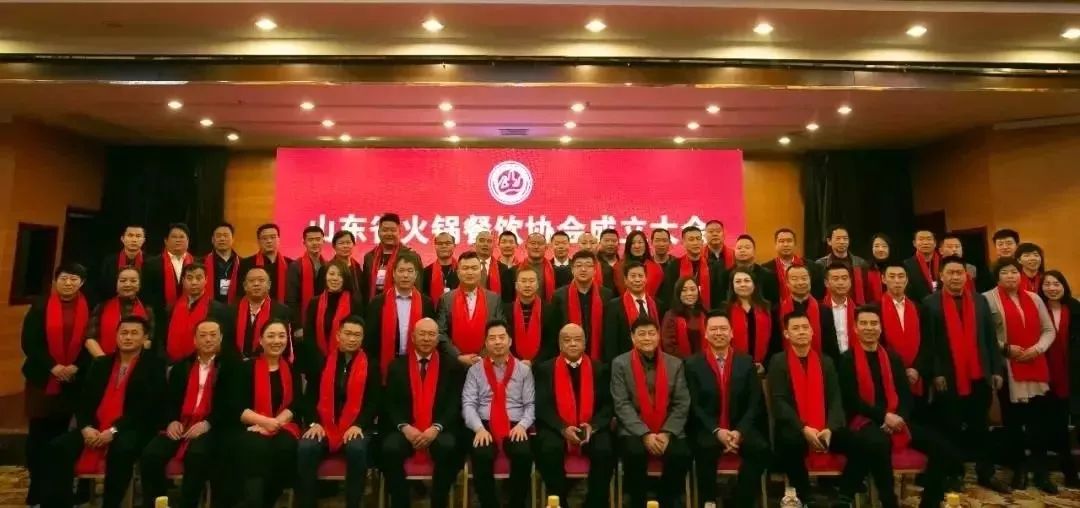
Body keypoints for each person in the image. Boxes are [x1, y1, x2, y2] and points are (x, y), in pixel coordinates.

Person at [836, 305, 963, 508]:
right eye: (864, 324)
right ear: (855, 328)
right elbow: (852, 400)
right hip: (864, 419)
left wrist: (899, 417)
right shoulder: (846, 359)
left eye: (874, 323)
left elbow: (905, 396)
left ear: (880, 327)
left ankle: (930, 502)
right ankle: (889, 501)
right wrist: (884, 417)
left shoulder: (893, 358)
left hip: (896, 418)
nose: (869, 328)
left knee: (942, 447)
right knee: (879, 443)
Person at [43, 316, 165, 508]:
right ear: (116, 336)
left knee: (122, 449)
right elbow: (84, 402)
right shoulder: (101, 364)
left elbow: (147, 408)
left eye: (134, 333)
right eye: (123, 333)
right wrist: (86, 428)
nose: (128, 337)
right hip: (95, 426)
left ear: (145, 338)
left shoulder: (154, 366)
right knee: (58, 447)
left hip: (132, 428)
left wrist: (114, 430)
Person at [921, 255, 1009, 493]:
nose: (955, 277)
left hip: (979, 374)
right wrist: (935, 373)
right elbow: (929, 343)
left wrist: (996, 369)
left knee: (981, 427)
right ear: (941, 276)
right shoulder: (930, 303)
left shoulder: (980, 301)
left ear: (966, 275)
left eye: (959, 273)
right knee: (950, 428)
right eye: (950, 273)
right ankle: (954, 473)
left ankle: (985, 473)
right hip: (948, 377)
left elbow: (989, 338)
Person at [767, 310, 861, 504]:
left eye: (805, 327)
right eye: (795, 328)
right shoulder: (778, 362)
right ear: (786, 334)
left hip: (825, 427)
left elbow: (835, 399)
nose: (801, 332)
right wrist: (803, 428)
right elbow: (780, 402)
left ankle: (844, 496)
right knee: (791, 444)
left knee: (861, 445)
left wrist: (830, 428)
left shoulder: (826, 361)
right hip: (795, 427)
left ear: (812, 332)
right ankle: (807, 497)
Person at [983, 257, 1056, 492]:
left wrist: (1037, 349)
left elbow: (1048, 329)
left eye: (1014, 272)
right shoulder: (987, 299)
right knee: (1013, 424)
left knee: (1039, 424)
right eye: (1005, 272)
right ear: (997, 277)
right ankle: (1019, 469)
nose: (1011, 276)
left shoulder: (1034, 298)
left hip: (1036, 364)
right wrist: (1006, 348)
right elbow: (983, 334)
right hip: (1007, 368)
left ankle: (1042, 473)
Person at [21, 263, 90, 507]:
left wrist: (76, 367)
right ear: (55, 281)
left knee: (63, 439)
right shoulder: (39, 307)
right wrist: (53, 367)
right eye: (64, 278)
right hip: (43, 380)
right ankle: (36, 491)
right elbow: (30, 343)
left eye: (74, 279)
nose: (68, 283)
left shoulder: (89, 308)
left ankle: (60, 493)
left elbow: (91, 341)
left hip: (73, 382)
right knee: (39, 437)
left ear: (82, 283)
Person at [685, 310, 769, 508]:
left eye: (723, 329)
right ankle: (709, 502)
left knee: (761, 450)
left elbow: (754, 402)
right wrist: (717, 431)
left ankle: (739, 501)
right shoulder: (692, 364)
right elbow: (693, 405)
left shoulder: (746, 362)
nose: (718, 333)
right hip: (708, 428)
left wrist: (739, 432)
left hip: (740, 427)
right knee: (704, 450)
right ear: (706, 334)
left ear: (731, 333)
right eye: (713, 329)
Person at [296, 315, 381, 508]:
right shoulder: (322, 363)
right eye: (348, 333)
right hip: (324, 425)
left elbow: (374, 402)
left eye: (357, 335)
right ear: (338, 335)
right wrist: (314, 422)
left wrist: (359, 425)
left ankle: (353, 503)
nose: (352, 339)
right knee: (306, 447)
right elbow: (309, 398)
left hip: (356, 426)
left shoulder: (371, 365)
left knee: (356, 449)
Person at [381, 318, 466, 508]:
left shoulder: (452, 366)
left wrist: (436, 428)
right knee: (389, 449)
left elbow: (454, 403)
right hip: (406, 429)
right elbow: (390, 404)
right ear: (412, 337)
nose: (426, 339)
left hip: (439, 428)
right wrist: (405, 427)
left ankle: (438, 502)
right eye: (422, 334)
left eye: (431, 334)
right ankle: (401, 503)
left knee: (448, 448)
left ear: (437, 339)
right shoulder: (397, 366)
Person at [140, 320, 223, 508]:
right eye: (203, 335)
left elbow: (230, 405)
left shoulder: (229, 367)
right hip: (181, 424)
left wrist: (207, 423)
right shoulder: (181, 367)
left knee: (197, 455)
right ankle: (159, 504)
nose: (208, 339)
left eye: (213, 335)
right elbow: (169, 400)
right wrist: (171, 420)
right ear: (194, 340)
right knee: (151, 455)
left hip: (211, 427)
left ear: (221, 338)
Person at [220, 319, 302, 508]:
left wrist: (275, 423)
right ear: (261, 340)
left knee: (285, 448)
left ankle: (268, 500)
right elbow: (235, 405)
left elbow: (296, 404)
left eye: (281, 336)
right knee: (256, 449)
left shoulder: (291, 369)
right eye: (271, 336)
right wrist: (264, 422)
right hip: (250, 426)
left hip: (283, 426)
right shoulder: (245, 368)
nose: (277, 341)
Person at [610, 316, 691, 508]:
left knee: (681, 454)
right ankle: (637, 502)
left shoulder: (675, 364)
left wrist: (666, 433)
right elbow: (621, 404)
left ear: (658, 336)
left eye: (651, 333)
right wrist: (645, 434)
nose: (647, 338)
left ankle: (666, 501)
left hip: (668, 428)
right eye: (642, 334)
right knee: (634, 453)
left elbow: (682, 403)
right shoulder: (620, 364)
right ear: (632, 337)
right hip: (633, 428)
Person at [534, 323, 615, 508]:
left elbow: (607, 405)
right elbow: (542, 406)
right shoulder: (545, 369)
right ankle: (559, 501)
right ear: (559, 344)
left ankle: (595, 502)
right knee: (548, 449)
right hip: (557, 427)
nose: (572, 344)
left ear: (585, 343)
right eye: (567, 340)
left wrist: (593, 426)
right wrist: (562, 428)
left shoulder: (599, 369)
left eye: (577, 340)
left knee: (605, 450)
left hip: (591, 427)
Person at [462, 320, 535, 508]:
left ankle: (516, 504)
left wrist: (523, 425)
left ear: (510, 341)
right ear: (486, 343)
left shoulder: (523, 370)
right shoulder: (475, 370)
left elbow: (530, 405)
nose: (497, 342)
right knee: (481, 455)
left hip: (515, 424)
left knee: (523, 454)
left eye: (502, 337)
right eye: (492, 338)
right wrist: (478, 428)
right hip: (484, 423)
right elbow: (468, 404)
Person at [1039, 270, 1080, 487]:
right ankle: (1066, 472)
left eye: (1056, 284)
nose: (1052, 288)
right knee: (1055, 427)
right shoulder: (1037, 308)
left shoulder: (1075, 308)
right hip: (1046, 376)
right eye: (1047, 284)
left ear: (1064, 286)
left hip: (1074, 375)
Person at [365, 253, 437, 379]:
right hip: (383, 368)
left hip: (416, 366)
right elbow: (370, 340)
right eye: (401, 270)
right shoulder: (377, 302)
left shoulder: (426, 303)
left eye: (410, 271)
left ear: (416, 275)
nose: (405, 275)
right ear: (393, 273)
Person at [878, 262, 932, 420]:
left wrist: (916, 368)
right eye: (892, 276)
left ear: (907, 280)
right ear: (883, 279)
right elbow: (877, 344)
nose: (897, 281)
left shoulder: (919, 308)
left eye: (901, 276)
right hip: (888, 374)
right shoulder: (875, 308)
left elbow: (927, 342)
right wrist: (900, 371)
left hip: (917, 376)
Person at [438, 252, 505, 366]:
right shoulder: (446, 299)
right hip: (454, 363)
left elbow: (500, 330)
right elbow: (441, 332)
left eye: (474, 268)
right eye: (465, 268)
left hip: (487, 362)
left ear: (480, 272)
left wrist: (482, 357)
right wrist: (458, 356)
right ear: (458, 272)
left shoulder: (493, 299)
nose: (470, 272)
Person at [546, 251, 615, 361]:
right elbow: (554, 331)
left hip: (599, 356)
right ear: (572, 270)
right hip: (567, 354)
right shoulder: (559, 296)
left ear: (595, 270)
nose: (583, 269)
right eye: (579, 265)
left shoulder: (606, 295)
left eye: (588, 265)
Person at [302, 260, 364, 376]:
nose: (335, 278)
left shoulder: (354, 302)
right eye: (331, 274)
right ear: (325, 277)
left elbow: (358, 333)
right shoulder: (315, 302)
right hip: (318, 362)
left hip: (346, 362)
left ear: (345, 278)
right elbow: (309, 335)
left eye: (339, 275)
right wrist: (319, 359)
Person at [163, 263, 229, 364]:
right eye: (189, 278)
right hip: (173, 363)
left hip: (206, 363)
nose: (194, 282)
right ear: (183, 281)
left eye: (199, 278)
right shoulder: (172, 308)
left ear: (206, 280)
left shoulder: (218, 309)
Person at [85, 267, 154, 358]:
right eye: (123, 280)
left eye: (133, 281)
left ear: (139, 285)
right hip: (103, 360)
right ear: (116, 284)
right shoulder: (102, 307)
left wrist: (130, 361)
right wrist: (104, 361)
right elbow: (90, 339)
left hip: (137, 362)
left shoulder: (147, 310)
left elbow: (147, 340)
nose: (127, 284)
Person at [227, 267, 292, 360]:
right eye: (251, 281)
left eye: (261, 280)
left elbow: (285, 345)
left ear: (269, 285)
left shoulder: (281, 311)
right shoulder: (231, 310)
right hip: (235, 363)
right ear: (245, 286)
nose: (256, 284)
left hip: (268, 362)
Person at [604, 261, 661, 361]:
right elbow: (610, 342)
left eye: (640, 276)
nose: (637, 280)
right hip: (625, 362)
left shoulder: (657, 304)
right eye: (633, 276)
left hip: (654, 361)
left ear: (646, 279)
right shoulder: (614, 306)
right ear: (625, 280)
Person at [662, 225, 725, 310]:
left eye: (698, 239)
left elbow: (719, 296)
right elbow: (669, 295)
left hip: (708, 313)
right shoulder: (674, 266)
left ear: (702, 242)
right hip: (680, 313)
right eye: (691, 239)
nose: (695, 243)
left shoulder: (714, 266)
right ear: (683, 243)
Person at [761, 228, 824, 304]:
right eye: (781, 241)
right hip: (777, 309)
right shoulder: (765, 269)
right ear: (776, 244)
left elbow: (818, 293)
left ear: (795, 244)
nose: (786, 244)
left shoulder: (812, 267)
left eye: (789, 241)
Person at [726, 268, 772, 369]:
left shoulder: (766, 308)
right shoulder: (726, 309)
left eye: (747, 281)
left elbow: (773, 339)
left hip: (761, 366)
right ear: (732, 286)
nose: (743, 284)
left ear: (754, 284)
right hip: (733, 366)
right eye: (738, 281)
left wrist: (765, 364)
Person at [143, 222, 194, 312]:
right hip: (161, 314)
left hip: (191, 311)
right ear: (166, 241)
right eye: (174, 237)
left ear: (188, 241)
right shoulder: (151, 264)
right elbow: (147, 293)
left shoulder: (196, 263)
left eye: (182, 237)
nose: (178, 240)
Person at [774, 264, 824, 355]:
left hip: (819, 359)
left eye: (804, 278)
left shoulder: (824, 309)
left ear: (810, 280)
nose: (800, 282)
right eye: (794, 279)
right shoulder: (777, 310)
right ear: (787, 283)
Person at [362, 213, 411, 301]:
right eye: (385, 230)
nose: (389, 233)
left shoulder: (410, 256)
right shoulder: (369, 257)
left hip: (401, 304)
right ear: (378, 232)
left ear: (399, 232)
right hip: (374, 305)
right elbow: (365, 288)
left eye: (393, 230)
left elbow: (417, 286)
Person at [286, 225, 327, 333]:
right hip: (302, 322)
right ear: (304, 242)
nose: (315, 243)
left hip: (323, 320)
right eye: (310, 240)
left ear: (323, 241)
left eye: (318, 239)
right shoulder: (295, 266)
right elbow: (291, 299)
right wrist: (297, 326)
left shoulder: (328, 266)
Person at [239, 223, 293, 304]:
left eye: (273, 237)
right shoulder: (246, 264)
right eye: (264, 238)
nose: (269, 241)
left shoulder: (290, 264)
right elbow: (241, 292)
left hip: (283, 308)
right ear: (258, 241)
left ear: (279, 239)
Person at [815, 224, 867, 305]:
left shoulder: (860, 263)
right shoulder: (820, 264)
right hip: (829, 306)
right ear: (829, 241)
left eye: (845, 239)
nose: (842, 242)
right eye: (838, 238)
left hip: (855, 307)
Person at [508, 264, 546, 363]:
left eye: (531, 281)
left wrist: (534, 363)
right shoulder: (506, 310)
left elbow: (550, 343)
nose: (527, 285)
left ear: (537, 285)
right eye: (523, 281)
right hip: (513, 364)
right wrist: (517, 363)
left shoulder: (549, 309)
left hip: (541, 365)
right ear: (516, 285)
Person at [661, 276, 707, 358]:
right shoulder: (671, 315)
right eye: (684, 290)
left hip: (704, 361)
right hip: (680, 362)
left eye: (693, 289)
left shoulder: (703, 313)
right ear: (678, 293)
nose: (689, 293)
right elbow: (668, 345)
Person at [821, 263, 858, 361]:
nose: (841, 282)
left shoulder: (858, 310)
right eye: (836, 279)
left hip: (854, 359)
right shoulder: (820, 310)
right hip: (828, 360)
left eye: (844, 278)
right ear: (826, 283)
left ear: (850, 281)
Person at [98, 225, 145, 302]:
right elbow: (103, 286)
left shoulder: (151, 262)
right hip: (112, 302)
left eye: (138, 236)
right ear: (122, 239)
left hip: (142, 304)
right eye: (130, 235)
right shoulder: (109, 261)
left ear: (143, 240)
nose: (134, 240)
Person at [205, 222, 240, 305]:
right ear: (212, 240)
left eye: (226, 235)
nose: (222, 239)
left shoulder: (243, 263)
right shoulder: (202, 262)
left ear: (233, 239)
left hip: (235, 307)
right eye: (218, 236)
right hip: (210, 307)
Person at [904, 230, 941, 303]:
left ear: (935, 243)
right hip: (919, 305)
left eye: (929, 239)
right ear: (914, 243)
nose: (925, 242)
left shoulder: (944, 262)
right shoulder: (907, 264)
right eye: (921, 239)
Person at [327, 230, 365, 298]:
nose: (345, 246)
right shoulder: (328, 268)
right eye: (341, 243)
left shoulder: (357, 267)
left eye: (348, 242)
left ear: (353, 244)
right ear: (334, 246)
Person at [423, 232, 459, 302]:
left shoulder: (462, 270)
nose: (444, 246)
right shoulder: (426, 272)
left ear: (454, 246)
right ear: (435, 246)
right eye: (440, 243)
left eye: (448, 243)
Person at [523, 232, 558, 303]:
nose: (536, 247)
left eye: (540, 244)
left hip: (547, 308)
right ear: (526, 246)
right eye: (533, 243)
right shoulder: (515, 270)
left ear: (546, 247)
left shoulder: (555, 270)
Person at [473, 230, 503, 296]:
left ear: (493, 246)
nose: (485, 244)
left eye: (489, 241)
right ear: (474, 245)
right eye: (482, 240)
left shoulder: (502, 268)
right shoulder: (466, 266)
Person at [865, 233, 892, 304]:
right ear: (871, 248)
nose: (880, 249)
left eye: (884, 246)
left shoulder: (897, 269)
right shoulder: (864, 269)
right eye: (876, 246)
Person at [495, 231, 521, 302]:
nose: (507, 245)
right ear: (498, 245)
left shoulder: (522, 268)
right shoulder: (492, 268)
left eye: (511, 242)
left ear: (517, 245)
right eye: (503, 242)